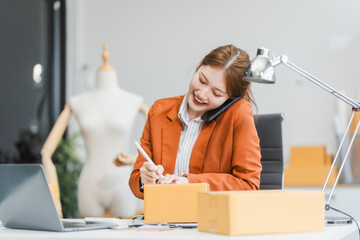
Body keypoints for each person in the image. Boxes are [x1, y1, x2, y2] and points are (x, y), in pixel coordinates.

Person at [129, 45, 262, 199]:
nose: (202, 94)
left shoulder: (238, 114)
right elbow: (135, 180)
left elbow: (248, 185)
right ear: (198, 68)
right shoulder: (160, 110)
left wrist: (190, 183)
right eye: (202, 80)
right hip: (162, 217)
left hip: (210, 219)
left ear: (230, 98)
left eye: (216, 93)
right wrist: (143, 179)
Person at [42, 44, 148, 217]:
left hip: (122, 184)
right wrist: (56, 208)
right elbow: (46, 152)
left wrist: (135, 159)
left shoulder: (134, 102)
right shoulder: (77, 102)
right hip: (89, 186)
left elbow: (162, 151)